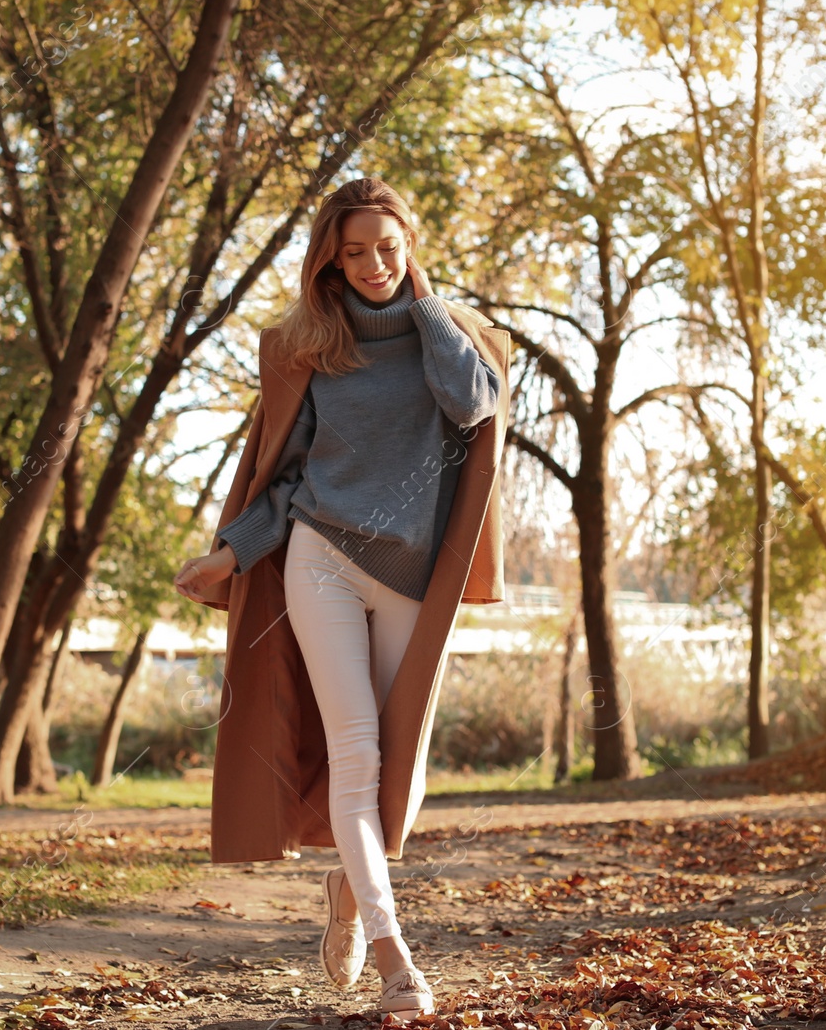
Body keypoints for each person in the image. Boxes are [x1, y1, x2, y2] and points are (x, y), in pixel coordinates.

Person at [173, 176, 506, 1019]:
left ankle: (350, 886)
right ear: (330, 258)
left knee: (401, 771)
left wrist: (426, 304)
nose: (372, 264)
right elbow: (285, 483)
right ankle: (399, 962)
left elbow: (473, 405)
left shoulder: (451, 337)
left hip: (411, 577)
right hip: (320, 557)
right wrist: (228, 556)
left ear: (410, 243)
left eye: (387, 247)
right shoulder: (307, 347)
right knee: (356, 754)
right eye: (353, 251)